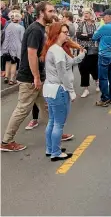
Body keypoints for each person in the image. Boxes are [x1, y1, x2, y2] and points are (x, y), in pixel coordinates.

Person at [1, 2, 73, 152]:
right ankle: (6, 141)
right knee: (22, 109)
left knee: (47, 106)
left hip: (38, 77)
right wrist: (36, 77)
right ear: (41, 12)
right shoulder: (35, 30)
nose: (53, 13)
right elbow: (31, 54)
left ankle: (56, 133)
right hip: (30, 78)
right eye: (51, 11)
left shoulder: (40, 29)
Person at [41, 23, 85, 161]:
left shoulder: (53, 49)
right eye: (64, 32)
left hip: (50, 89)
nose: (67, 34)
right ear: (56, 34)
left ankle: (51, 148)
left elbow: (70, 62)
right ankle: (56, 152)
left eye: (67, 32)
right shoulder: (58, 51)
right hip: (59, 89)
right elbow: (63, 74)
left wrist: (82, 55)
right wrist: (71, 92)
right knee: (59, 123)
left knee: (53, 121)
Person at [93, 9, 111, 107]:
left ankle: (104, 99)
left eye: (104, 16)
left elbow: (94, 37)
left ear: (109, 16)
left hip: (104, 55)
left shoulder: (104, 27)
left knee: (103, 78)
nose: (103, 18)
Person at [76, 8, 100, 98]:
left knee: (94, 68)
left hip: (93, 49)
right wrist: (89, 36)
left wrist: (87, 35)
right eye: (84, 13)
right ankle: (86, 89)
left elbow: (96, 36)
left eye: (87, 13)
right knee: (83, 68)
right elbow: (78, 35)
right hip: (83, 48)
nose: (85, 15)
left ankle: (97, 82)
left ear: (91, 14)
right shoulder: (81, 24)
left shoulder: (96, 25)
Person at [1, 12, 25, 85]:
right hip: (15, 48)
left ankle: (6, 77)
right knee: (14, 64)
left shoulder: (7, 26)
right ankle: (12, 79)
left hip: (6, 47)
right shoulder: (21, 28)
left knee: (7, 62)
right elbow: (22, 39)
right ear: (19, 19)